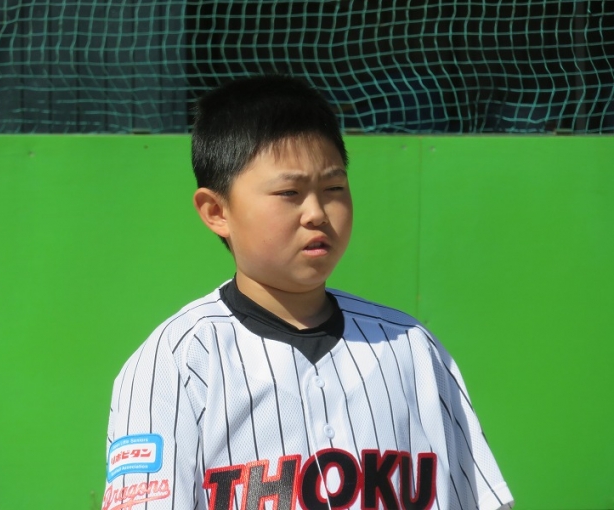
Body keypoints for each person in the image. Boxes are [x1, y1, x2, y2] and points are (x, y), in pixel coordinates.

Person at [101, 75, 514, 510]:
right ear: (217, 211)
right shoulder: (179, 360)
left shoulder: (411, 347)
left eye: (334, 188)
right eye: (289, 193)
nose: (316, 212)